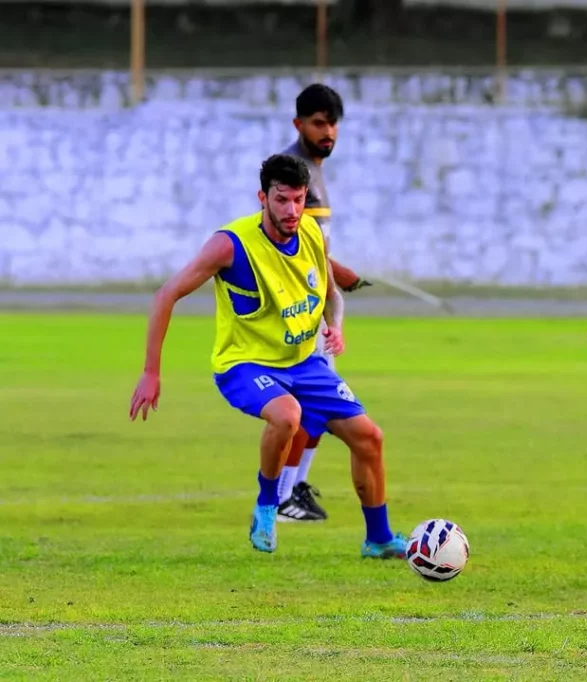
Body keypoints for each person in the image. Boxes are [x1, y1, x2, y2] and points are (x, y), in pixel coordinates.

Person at [128, 153, 406, 559]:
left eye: (298, 200)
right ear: (263, 197)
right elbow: (166, 294)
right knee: (287, 415)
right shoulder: (230, 244)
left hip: (303, 364)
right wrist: (151, 372)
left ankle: (378, 539)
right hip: (244, 364)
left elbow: (330, 293)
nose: (292, 210)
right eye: (282, 200)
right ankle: (267, 505)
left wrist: (337, 326)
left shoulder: (311, 233)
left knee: (369, 438)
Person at [275, 83, 374, 523]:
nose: (328, 131)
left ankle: (291, 490)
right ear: (299, 124)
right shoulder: (296, 172)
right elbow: (293, 241)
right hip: (298, 308)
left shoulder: (314, 167)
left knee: (315, 408)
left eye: (333, 123)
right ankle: (282, 495)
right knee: (311, 407)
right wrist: (340, 271)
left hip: (317, 305)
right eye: (319, 123)